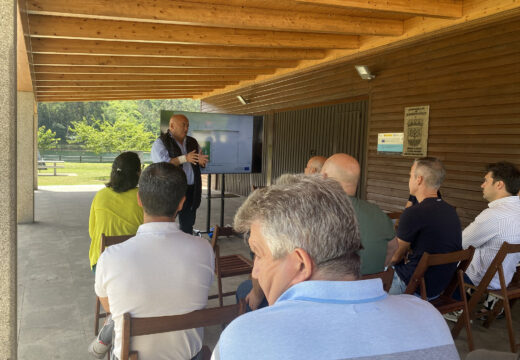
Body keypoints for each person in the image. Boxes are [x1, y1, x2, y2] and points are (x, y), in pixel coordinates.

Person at [212, 174, 458, 360]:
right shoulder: (428, 317)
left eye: (257, 254)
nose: (255, 271)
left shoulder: (244, 339)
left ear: (300, 265)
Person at [94, 163, 214, 360]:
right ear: (182, 203)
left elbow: (110, 309)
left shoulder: (111, 257)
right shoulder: (204, 249)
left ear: (139, 200)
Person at [389, 157, 462, 299]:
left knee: (367, 271)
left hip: (412, 287)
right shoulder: (450, 211)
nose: (409, 179)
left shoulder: (414, 213)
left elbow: (394, 258)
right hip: (437, 289)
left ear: (419, 179)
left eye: (410, 175)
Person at [321, 153, 395, 275]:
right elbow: (393, 247)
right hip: (374, 290)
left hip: (335, 292)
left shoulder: (317, 212)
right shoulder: (378, 212)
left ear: (324, 177)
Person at [151, 114, 208, 235]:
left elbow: (198, 159)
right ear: (172, 126)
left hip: (191, 191)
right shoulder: (161, 142)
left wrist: (202, 161)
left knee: (187, 226)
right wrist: (185, 158)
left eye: (188, 125)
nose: (186, 128)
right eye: (183, 125)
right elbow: (163, 165)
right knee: (166, 225)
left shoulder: (192, 141)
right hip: (171, 191)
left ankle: (185, 248)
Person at [88, 151, 143, 273]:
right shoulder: (143, 197)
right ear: (138, 173)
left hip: (101, 263)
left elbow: (93, 232)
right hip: (134, 263)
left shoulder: (100, 195)